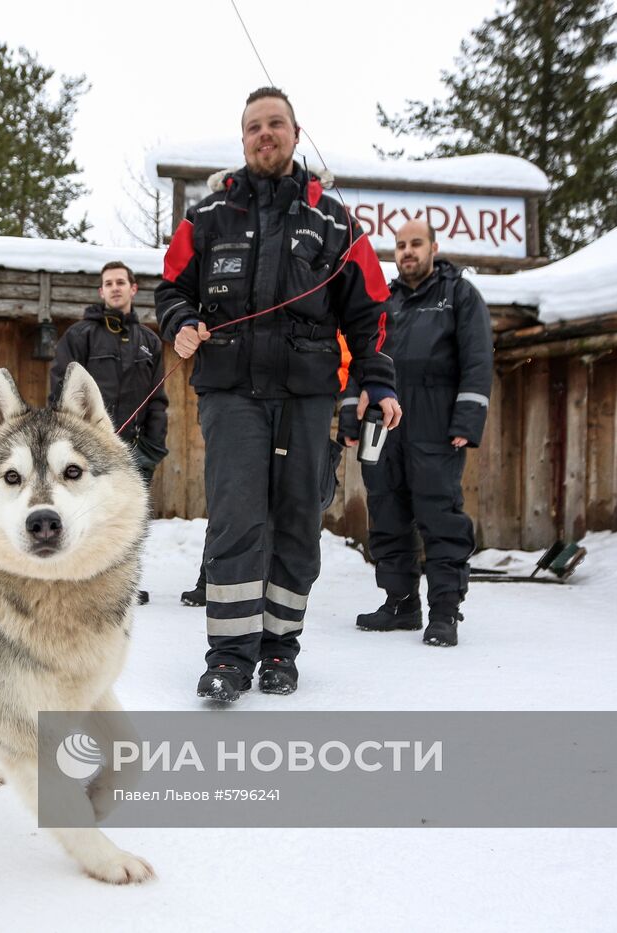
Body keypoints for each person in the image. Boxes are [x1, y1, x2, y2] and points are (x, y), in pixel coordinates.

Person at [156, 86, 400, 701]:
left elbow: (369, 310)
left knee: (296, 524)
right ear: (242, 140)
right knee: (238, 519)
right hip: (231, 392)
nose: (265, 134)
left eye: (275, 124)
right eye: (253, 127)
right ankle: (230, 657)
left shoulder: (335, 219)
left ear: (295, 133)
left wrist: (378, 379)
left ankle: (280, 650)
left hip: (306, 395)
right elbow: (168, 289)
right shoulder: (207, 217)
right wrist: (181, 323)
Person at [341, 218, 493, 647]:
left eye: (416, 244)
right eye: (401, 245)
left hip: (434, 423)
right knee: (386, 514)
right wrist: (351, 414)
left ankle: (445, 611)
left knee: (440, 516)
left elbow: (478, 361)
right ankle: (400, 603)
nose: (407, 252)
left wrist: (467, 420)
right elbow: (361, 359)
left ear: (433, 247)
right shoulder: (382, 301)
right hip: (384, 426)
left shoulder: (459, 295)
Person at [49, 260, 169, 604]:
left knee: (126, 516)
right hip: (86, 450)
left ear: (133, 289)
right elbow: (60, 391)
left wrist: (155, 445)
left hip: (134, 447)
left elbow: (158, 399)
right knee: (87, 512)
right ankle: (79, 580)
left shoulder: (149, 341)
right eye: (108, 283)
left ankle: (123, 582)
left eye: (121, 282)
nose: (115, 287)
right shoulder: (80, 335)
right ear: (101, 292)